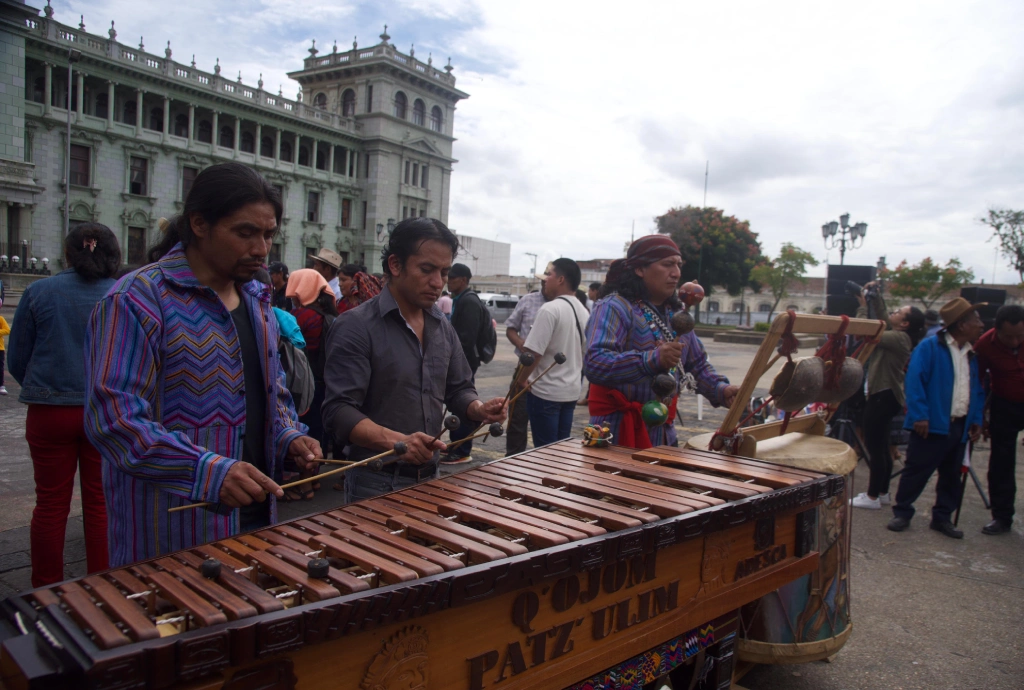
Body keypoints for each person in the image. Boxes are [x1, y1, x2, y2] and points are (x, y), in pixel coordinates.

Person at [85, 162, 321, 567]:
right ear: (199, 224)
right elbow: (115, 421)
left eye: (268, 235)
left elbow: (272, 392)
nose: (261, 249)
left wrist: (288, 436)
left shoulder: (259, 301)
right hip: (171, 532)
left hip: (256, 519)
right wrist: (209, 471)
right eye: (245, 232)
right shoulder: (137, 299)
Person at [322, 217, 506, 502]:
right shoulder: (355, 326)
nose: (437, 283)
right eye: (427, 270)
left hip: (431, 477)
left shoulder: (441, 325)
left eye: (444, 272)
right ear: (395, 265)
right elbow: (338, 411)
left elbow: (458, 388)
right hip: (376, 482)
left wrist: (479, 409)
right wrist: (396, 442)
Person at [7, 223, 119, 586]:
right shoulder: (122, 293)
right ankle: (101, 583)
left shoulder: (39, 290)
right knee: (100, 504)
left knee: (51, 504)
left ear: (68, 253)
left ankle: (46, 586)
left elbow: (17, 357)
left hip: (49, 411)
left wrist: (43, 389)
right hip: (104, 412)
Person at [585, 235, 738, 448]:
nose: (676, 273)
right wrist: (651, 360)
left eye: (678, 265)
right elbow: (595, 364)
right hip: (615, 433)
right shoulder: (613, 307)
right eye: (667, 265)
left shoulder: (676, 313)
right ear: (640, 269)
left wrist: (721, 389)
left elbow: (697, 365)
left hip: (663, 433)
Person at [887, 297, 986, 538]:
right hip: (931, 424)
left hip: (959, 425)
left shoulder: (970, 353)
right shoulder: (930, 347)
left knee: (952, 476)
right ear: (962, 325)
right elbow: (914, 381)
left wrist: (975, 419)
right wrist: (920, 415)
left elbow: (975, 389)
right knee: (917, 470)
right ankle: (902, 511)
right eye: (976, 320)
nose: (981, 325)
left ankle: (942, 517)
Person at [852, 284, 927, 510]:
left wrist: (864, 308)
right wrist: (876, 297)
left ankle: (872, 496)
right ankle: (882, 492)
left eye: (899, 313)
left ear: (905, 324)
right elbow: (884, 318)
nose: (893, 314)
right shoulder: (901, 336)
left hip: (882, 397)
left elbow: (866, 332)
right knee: (882, 447)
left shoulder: (900, 339)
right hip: (887, 397)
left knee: (875, 448)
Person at [515, 259, 590, 447]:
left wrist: (521, 379)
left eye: (550, 274)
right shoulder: (584, 312)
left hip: (545, 392)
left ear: (561, 279)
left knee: (544, 451)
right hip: (571, 391)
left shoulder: (550, 309)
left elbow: (533, 353)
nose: (546, 279)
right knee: (560, 450)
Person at [283, 268, 337, 500]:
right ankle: (313, 478)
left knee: (301, 433)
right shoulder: (330, 315)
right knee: (317, 432)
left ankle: (303, 484)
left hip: (304, 385)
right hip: (326, 383)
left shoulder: (301, 317)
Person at [974, 304, 1024, 534]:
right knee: (1001, 462)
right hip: (1004, 404)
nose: (1014, 342)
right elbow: (978, 383)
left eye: (1020, 337)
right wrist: (980, 416)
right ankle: (1002, 517)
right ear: (997, 330)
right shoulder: (984, 345)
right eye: (1009, 337)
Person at [443, 262, 488, 464]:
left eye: (451, 277)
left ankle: (462, 450)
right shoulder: (459, 298)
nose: (447, 281)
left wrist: (455, 361)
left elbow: (466, 338)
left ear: (462, 280)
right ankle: (455, 445)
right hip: (461, 360)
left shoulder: (468, 301)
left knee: (463, 402)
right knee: (456, 404)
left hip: (465, 361)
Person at [505, 287, 547, 455]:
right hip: (524, 367)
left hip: (549, 372)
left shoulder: (564, 304)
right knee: (517, 418)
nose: (544, 284)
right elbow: (510, 329)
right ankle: (512, 459)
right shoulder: (528, 300)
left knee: (545, 426)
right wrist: (521, 344)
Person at [0, 311, 8, 396]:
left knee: (0, 367)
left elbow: (7, 330)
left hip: (0, 348)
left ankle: (1, 385)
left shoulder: (1, 319)